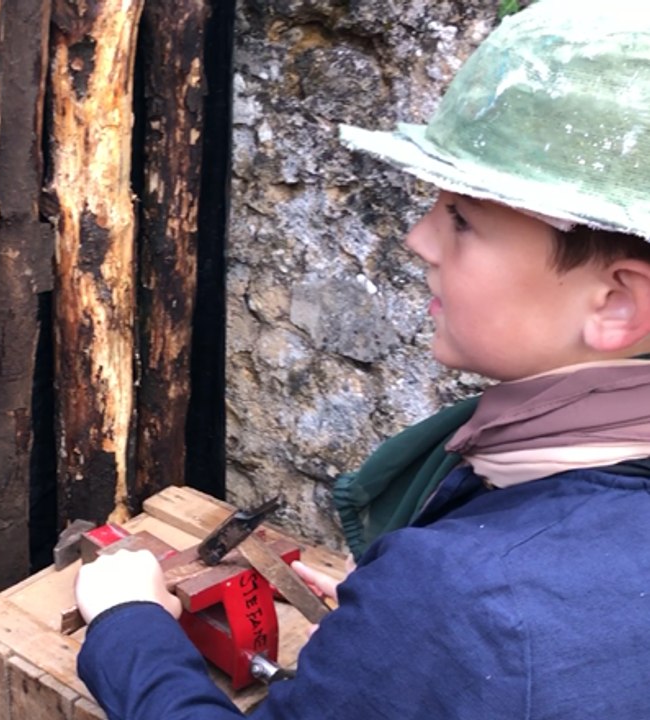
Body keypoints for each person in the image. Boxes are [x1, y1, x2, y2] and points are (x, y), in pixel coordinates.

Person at [75, 1, 650, 717]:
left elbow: (497, 619)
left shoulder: (470, 597)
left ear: (616, 304)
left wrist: (127, 624)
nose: (419, 238)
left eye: (462, 220)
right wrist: (388, 642)